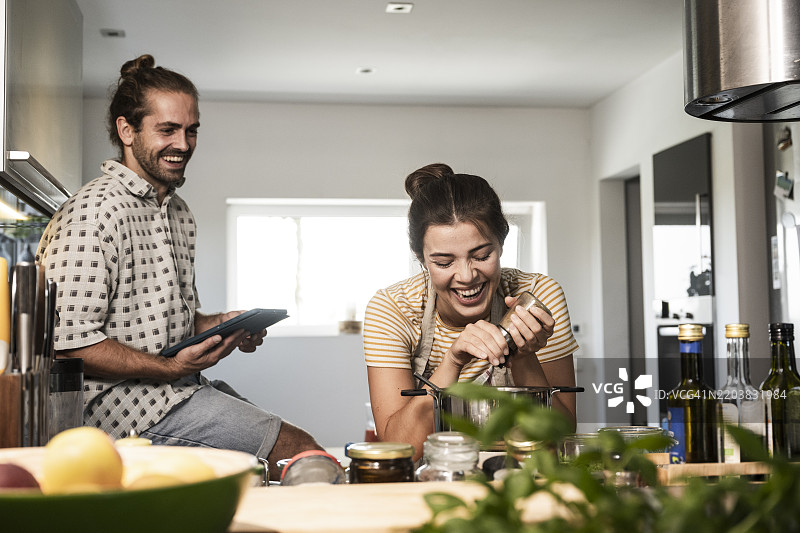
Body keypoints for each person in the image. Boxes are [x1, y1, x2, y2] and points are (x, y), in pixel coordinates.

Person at [36, 54, 321, 480]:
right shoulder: (93, 214)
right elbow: (68, 344)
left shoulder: (177, 211)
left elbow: (171, 322)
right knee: (300, 454)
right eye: (167, 130)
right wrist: (171, 367)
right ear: (126, 130)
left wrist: (223, 324)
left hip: (176, 391)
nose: (183, 144)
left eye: (191, 130)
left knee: (274, 463)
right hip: (116, 413)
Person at [363, 163, 579, 459]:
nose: (466, 276)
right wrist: (452, 362)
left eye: (481, 255)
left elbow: (560, 440)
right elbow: (399, 450)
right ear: (421, 258)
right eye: (443, 262)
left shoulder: (537, 297)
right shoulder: (392, 309)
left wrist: (524, 357)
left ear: (502, 244)